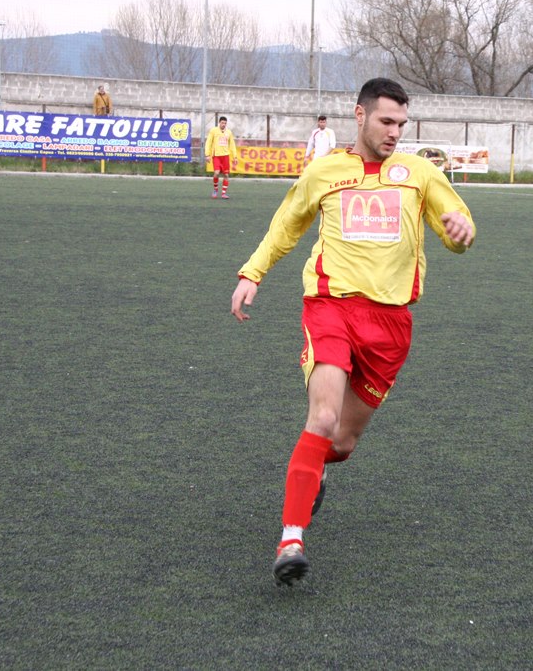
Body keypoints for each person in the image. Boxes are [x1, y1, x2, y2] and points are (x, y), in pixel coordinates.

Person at [229, 78, 476, 586]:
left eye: (401, 124)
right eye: (386, 121)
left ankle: (313, 470)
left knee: (340, 444)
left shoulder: (421, 174)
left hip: (391, 324)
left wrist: (462, 232)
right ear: (359, 115)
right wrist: (252, 273)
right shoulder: (324, 171)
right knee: (322, 416)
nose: (394, 132)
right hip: (331, 308)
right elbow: (286, 225)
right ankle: (291, 538)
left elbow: (456, 231)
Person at [204, 116, 238, 199]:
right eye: (222, 123)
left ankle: (223, 193)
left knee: (226, 175)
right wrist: (207, 154)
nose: (224, 124)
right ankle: (215, 190)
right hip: (216, 156)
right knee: (216, 173)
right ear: (219, 123)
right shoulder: (213, 131)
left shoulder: (229, 132)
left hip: (225, 156)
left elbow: (232, 145)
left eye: (225, 123)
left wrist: (235, 157)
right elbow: (208, 142)